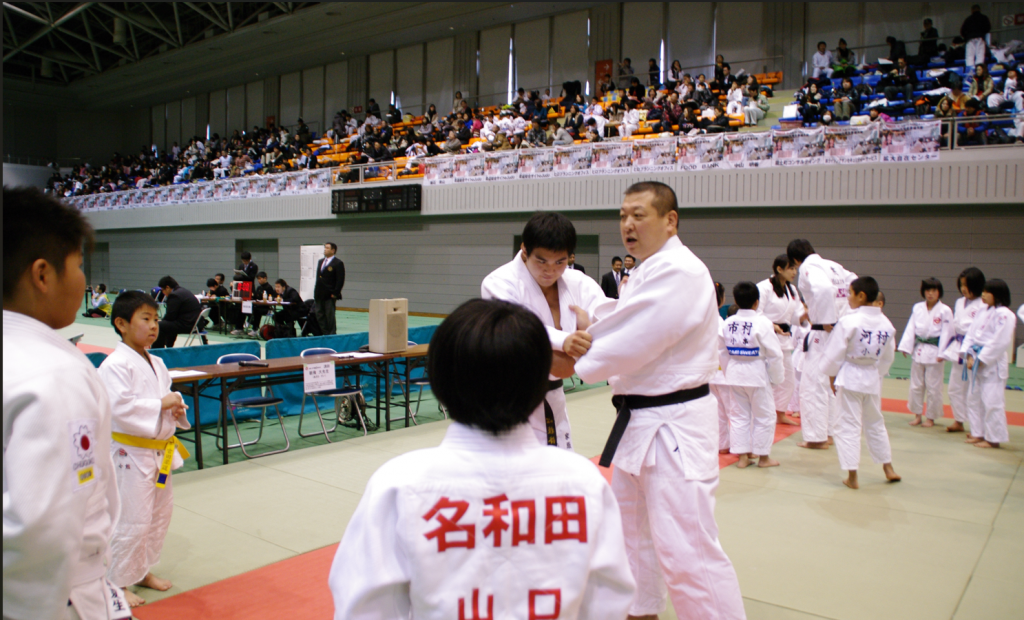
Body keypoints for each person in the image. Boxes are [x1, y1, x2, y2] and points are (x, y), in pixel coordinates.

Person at [328, 298, 636, 618]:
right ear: (541, 382)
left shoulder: (397, 484)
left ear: (439, 382)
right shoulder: (583, 483)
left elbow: (363, 609)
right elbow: (608, 603)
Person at [574, 182, 746, 620]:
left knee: (687, 547)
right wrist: (592, 325)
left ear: (670, 220)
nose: (627, 225)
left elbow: (636, 337)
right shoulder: (649, 269)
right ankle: (640, 609)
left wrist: (578, 355)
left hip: (674, 424)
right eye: (622, 216)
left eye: (639, 215)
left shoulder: (681, 270)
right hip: (641, 421)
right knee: (632, 533)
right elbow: (625, 317)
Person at [3, 187, 129, 619]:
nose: (82, 279)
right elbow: (40, 529)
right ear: (43, 274)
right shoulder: (53, 373)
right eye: (78, 265)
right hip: (56, 595)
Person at [481, 212, 607, 449]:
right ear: (524, 250)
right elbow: (518, 327)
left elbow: (609, 323)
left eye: (560, 262)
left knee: (557, 464)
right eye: (542, 261)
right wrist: (566, 340)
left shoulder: (578, 282)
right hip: (511, 397)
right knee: (511, 466)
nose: (550, 271)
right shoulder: (498, 282)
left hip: (553, 396)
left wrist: (589, 326)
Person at [98, 292, 190, 608]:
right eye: (145, 319)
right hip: (130, 454)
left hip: (159, 452)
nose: (153, 326)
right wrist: (161, 404)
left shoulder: (158, 362)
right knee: (131, 519)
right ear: (121, 324)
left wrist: (174, 408)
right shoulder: (114, 365)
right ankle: (116, 582)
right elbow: (119, 409)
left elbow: (165, 398)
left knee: (158, 516)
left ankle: (141, 570)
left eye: (156, 319)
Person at [820, 276, 902, 490]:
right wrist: (876, 373)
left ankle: (852, 476)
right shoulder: (887, 324)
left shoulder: (849, 321)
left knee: (848, 425)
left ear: (861, 296)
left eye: (850, 293)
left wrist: (831, 376)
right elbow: (888, 357)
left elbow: (834, 354)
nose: (848, 297)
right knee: (876, 423)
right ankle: (888, 468)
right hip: (872, 377)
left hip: (850, 377)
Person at [788, 238, 857, 450]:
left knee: (813, 386)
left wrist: (828, 318)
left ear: (795, 259)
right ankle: (829, 433)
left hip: (823, 332)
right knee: (830, 385)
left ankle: (816, 438)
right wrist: (845, 316)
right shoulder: (834, 266)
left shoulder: (808, 267)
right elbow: (855, 282)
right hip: (838, 330)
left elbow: (825, 289)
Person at [720, 282, 785, 469]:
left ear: (736, 301)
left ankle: (742, 457)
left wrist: (728, 372)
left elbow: (723, 352)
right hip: (756, 373)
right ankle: (763, 458)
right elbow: (775, 354)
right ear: (757, 302)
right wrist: (776, 378)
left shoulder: (728, 322)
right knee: (764, 416)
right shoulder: (762, 322)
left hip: (735, 372)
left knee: (739, 416)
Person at [961, 279, 1015, 449]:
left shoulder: (1005, 314)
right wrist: (969, 355)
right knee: (974, 399)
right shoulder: (982, 311)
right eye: (983, 291)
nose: (983, 295)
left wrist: (981, 359)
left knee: (992, 402)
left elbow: (1000, 341)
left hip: (992, 363)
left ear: (997, 295)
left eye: (987, 292)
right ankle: (978, 432)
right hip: (975, 358)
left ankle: (993, 438)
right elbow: (970, 334)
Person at [898, 278, 953, 428]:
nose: (930, 293)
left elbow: (947, 332)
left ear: (939, 292)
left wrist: (943, 353)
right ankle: (917, 415)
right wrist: (906, 346)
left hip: (935, 352)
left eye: (934, 290)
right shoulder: (917, 308)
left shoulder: (945, 310)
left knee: (934, 387)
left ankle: (931, 417)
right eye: (928, 290)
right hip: (919, 350)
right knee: (916, 385)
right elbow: (911, 327)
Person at [757, 255, 804, 427]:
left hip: (784, 339)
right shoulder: (764, 287)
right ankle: (763, 413)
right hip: (767, 337)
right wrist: (772, 325)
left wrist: (809, 313)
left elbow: (797, 316)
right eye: (791, 268)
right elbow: (756, 313)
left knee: (788, 380)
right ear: (779, 269)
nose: (794, 272)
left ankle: (780, 413)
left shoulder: (792, 290)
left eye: (795, 269)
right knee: (768, 378)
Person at [941, 268, 987, 434]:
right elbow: (954, 326)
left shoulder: (983, 304)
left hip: (976, 349)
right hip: (959, 347)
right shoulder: (959, 302)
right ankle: (959, 420)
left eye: (966, 285)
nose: (963, 289)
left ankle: (979, 427)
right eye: (961, 285)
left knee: (974, 391)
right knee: (954, 388)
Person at [153, 276, 204, 348]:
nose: (163, 293)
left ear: (167, 287)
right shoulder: (184, 291)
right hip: (196, 324)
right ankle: (169, 347)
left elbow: (170, 316)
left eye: (162, 290)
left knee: (159, 325)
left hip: (188, 325)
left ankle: (157, 350)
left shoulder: (174, 295)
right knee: (169, 324)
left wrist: (160, 321)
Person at [231, 271, 275, 336]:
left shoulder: (269, 287)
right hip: (256, 305)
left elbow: (271, 298)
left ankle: (255, 329)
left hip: (264, 308)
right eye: (258, 279)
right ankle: (239, 328)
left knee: (257, 311)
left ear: (265, 278)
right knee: (242, 309)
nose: (259, 280)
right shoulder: (259, 287)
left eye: (260, 278)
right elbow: (255, 297)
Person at [315, 242, 344, 335]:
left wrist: (335, 293)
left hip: (329, 294)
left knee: (329, 316)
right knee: (319, 315)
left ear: (333, 250)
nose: (325, 249)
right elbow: (319, 278)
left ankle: (332, 334)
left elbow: (340, 280)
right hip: (319, 294)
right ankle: (325, 333)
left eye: (327, 248)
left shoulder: (338, 263)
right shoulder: (321, 262)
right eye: (325, 247)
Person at [961, 4, 991, 69]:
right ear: (979, 10)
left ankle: (970, 72)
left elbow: (962, 31)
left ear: (972, 10)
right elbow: (988, 28)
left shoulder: (968, 19)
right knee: (980, 57)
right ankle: (979, 71)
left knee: (969, 58)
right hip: (980, 38)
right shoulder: (984, 18)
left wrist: (967, 37)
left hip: (970, 39)